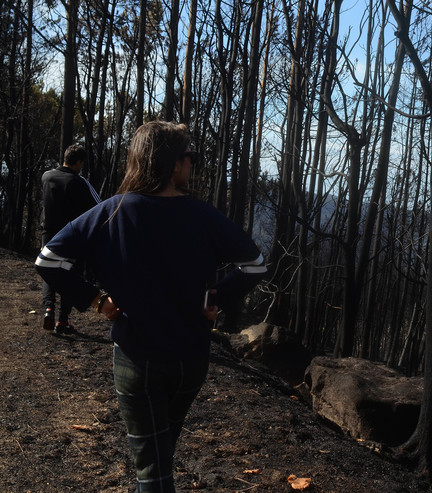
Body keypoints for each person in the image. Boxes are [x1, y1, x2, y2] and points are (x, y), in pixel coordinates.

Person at [35, 121, 267, 492]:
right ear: (174, 164)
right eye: (189, 157)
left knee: (154, 469)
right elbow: (255, 265)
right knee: (159, 456)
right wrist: (214, 298)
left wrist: (96, 301)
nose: (192, 164)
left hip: (136, 359)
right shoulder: (203, 216)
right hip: (191, 359)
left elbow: (48, 260)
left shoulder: (111, 212)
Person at [40, 144, 101, 333]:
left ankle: (48, 308)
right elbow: (98, 206)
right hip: (68, 236)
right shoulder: (78, 181)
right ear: (79, 162)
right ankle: (62, 320)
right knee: (69, 273)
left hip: (47, 233)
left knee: (48, 270)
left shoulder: (46, 176)